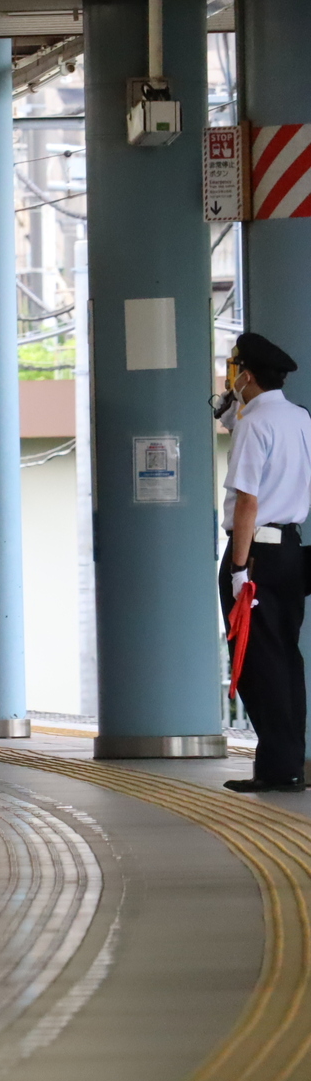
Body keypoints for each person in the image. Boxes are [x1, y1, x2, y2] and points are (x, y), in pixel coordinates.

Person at [218, 332, 311, 793]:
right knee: (285, 657)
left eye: (234, 370)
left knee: (258, 661)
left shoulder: (255, 425)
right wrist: (232, 409)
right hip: (290, 549)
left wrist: (238, 570)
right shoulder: (299, 417)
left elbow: (248, 500)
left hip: (256, 555)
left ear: (247, 375)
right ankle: (288, 762)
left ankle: (278, 769)